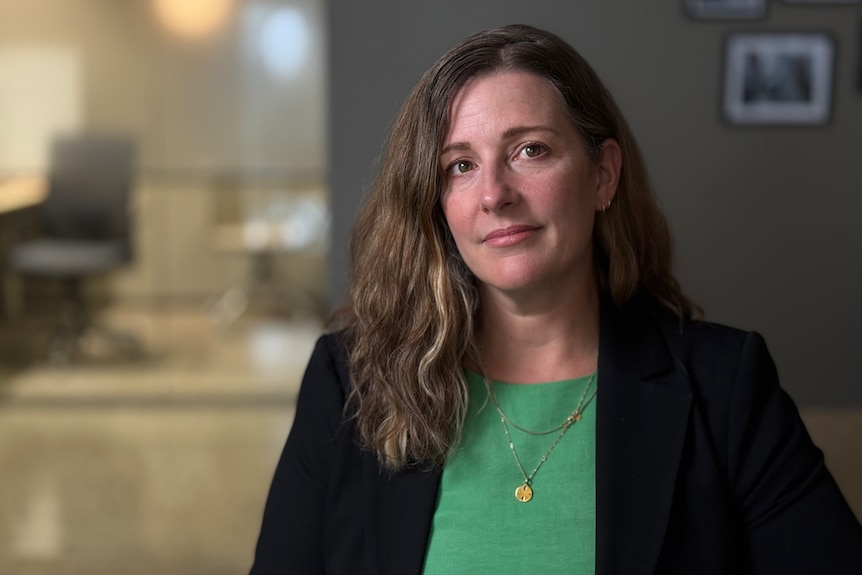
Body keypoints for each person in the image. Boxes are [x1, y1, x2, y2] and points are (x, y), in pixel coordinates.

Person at [250, 24, 862, 574]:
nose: (494, 194)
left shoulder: (726, 387)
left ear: (603, 175)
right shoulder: (350, 381)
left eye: (529, 151)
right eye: (459, 166)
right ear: (436, 202)